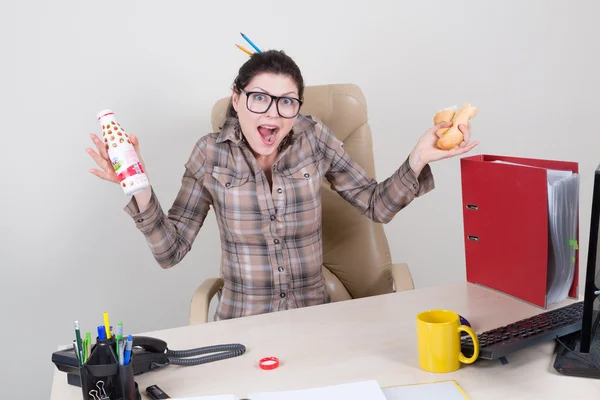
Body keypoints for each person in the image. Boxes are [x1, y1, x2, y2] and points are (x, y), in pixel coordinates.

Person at [87, 50, 478, 321]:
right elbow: (169, 251)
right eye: (259, 98)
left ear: (298, 108)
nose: (272, 112)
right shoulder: (209, 154)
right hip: (243, 326)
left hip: (314, 321)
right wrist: (134, 183)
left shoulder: (313, 138)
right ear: (237, 100)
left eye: (286, 102)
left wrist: (420, 157)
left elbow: (377, 205)